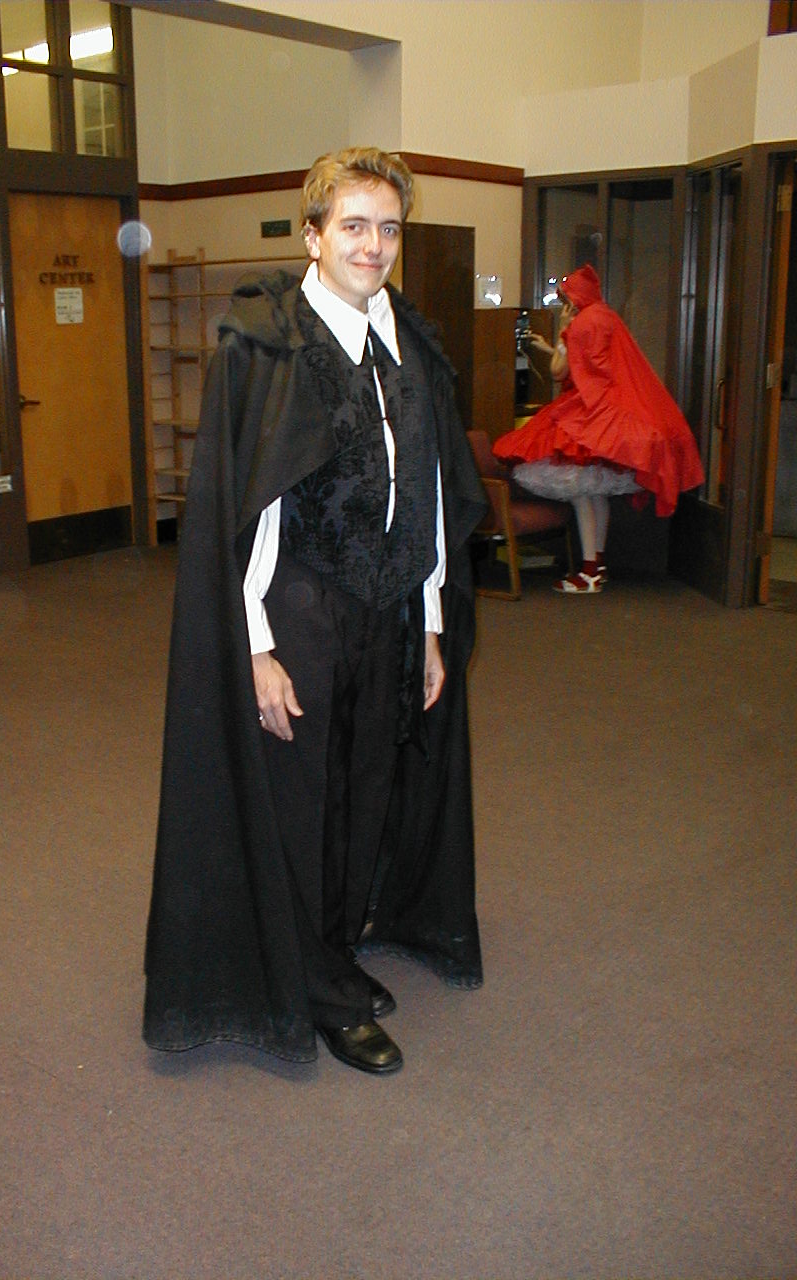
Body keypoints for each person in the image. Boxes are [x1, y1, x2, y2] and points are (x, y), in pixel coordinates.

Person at [142, 147, 488, 1075]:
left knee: (366, 787)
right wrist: (254, 645)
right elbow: (244, 513)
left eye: (388, 228)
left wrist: (429, 625)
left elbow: (428, 495)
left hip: (390, 610)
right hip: (298, 606)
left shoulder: (407, 343)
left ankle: (334, 945)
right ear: (313, 234)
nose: (372, 246)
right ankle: (318, 988)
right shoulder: (268, 347)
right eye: (353, 226)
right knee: (303, 800)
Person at [493, 264, 704, 593]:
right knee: (595, 493)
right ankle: (598, 565)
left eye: (566, 300)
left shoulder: (578, 325)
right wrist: (554, 345)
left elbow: (559, 372)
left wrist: (563, 332)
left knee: (581, 494)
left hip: (585, 414)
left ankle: (588, 573)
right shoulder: (606, 317)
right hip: (609, 412)